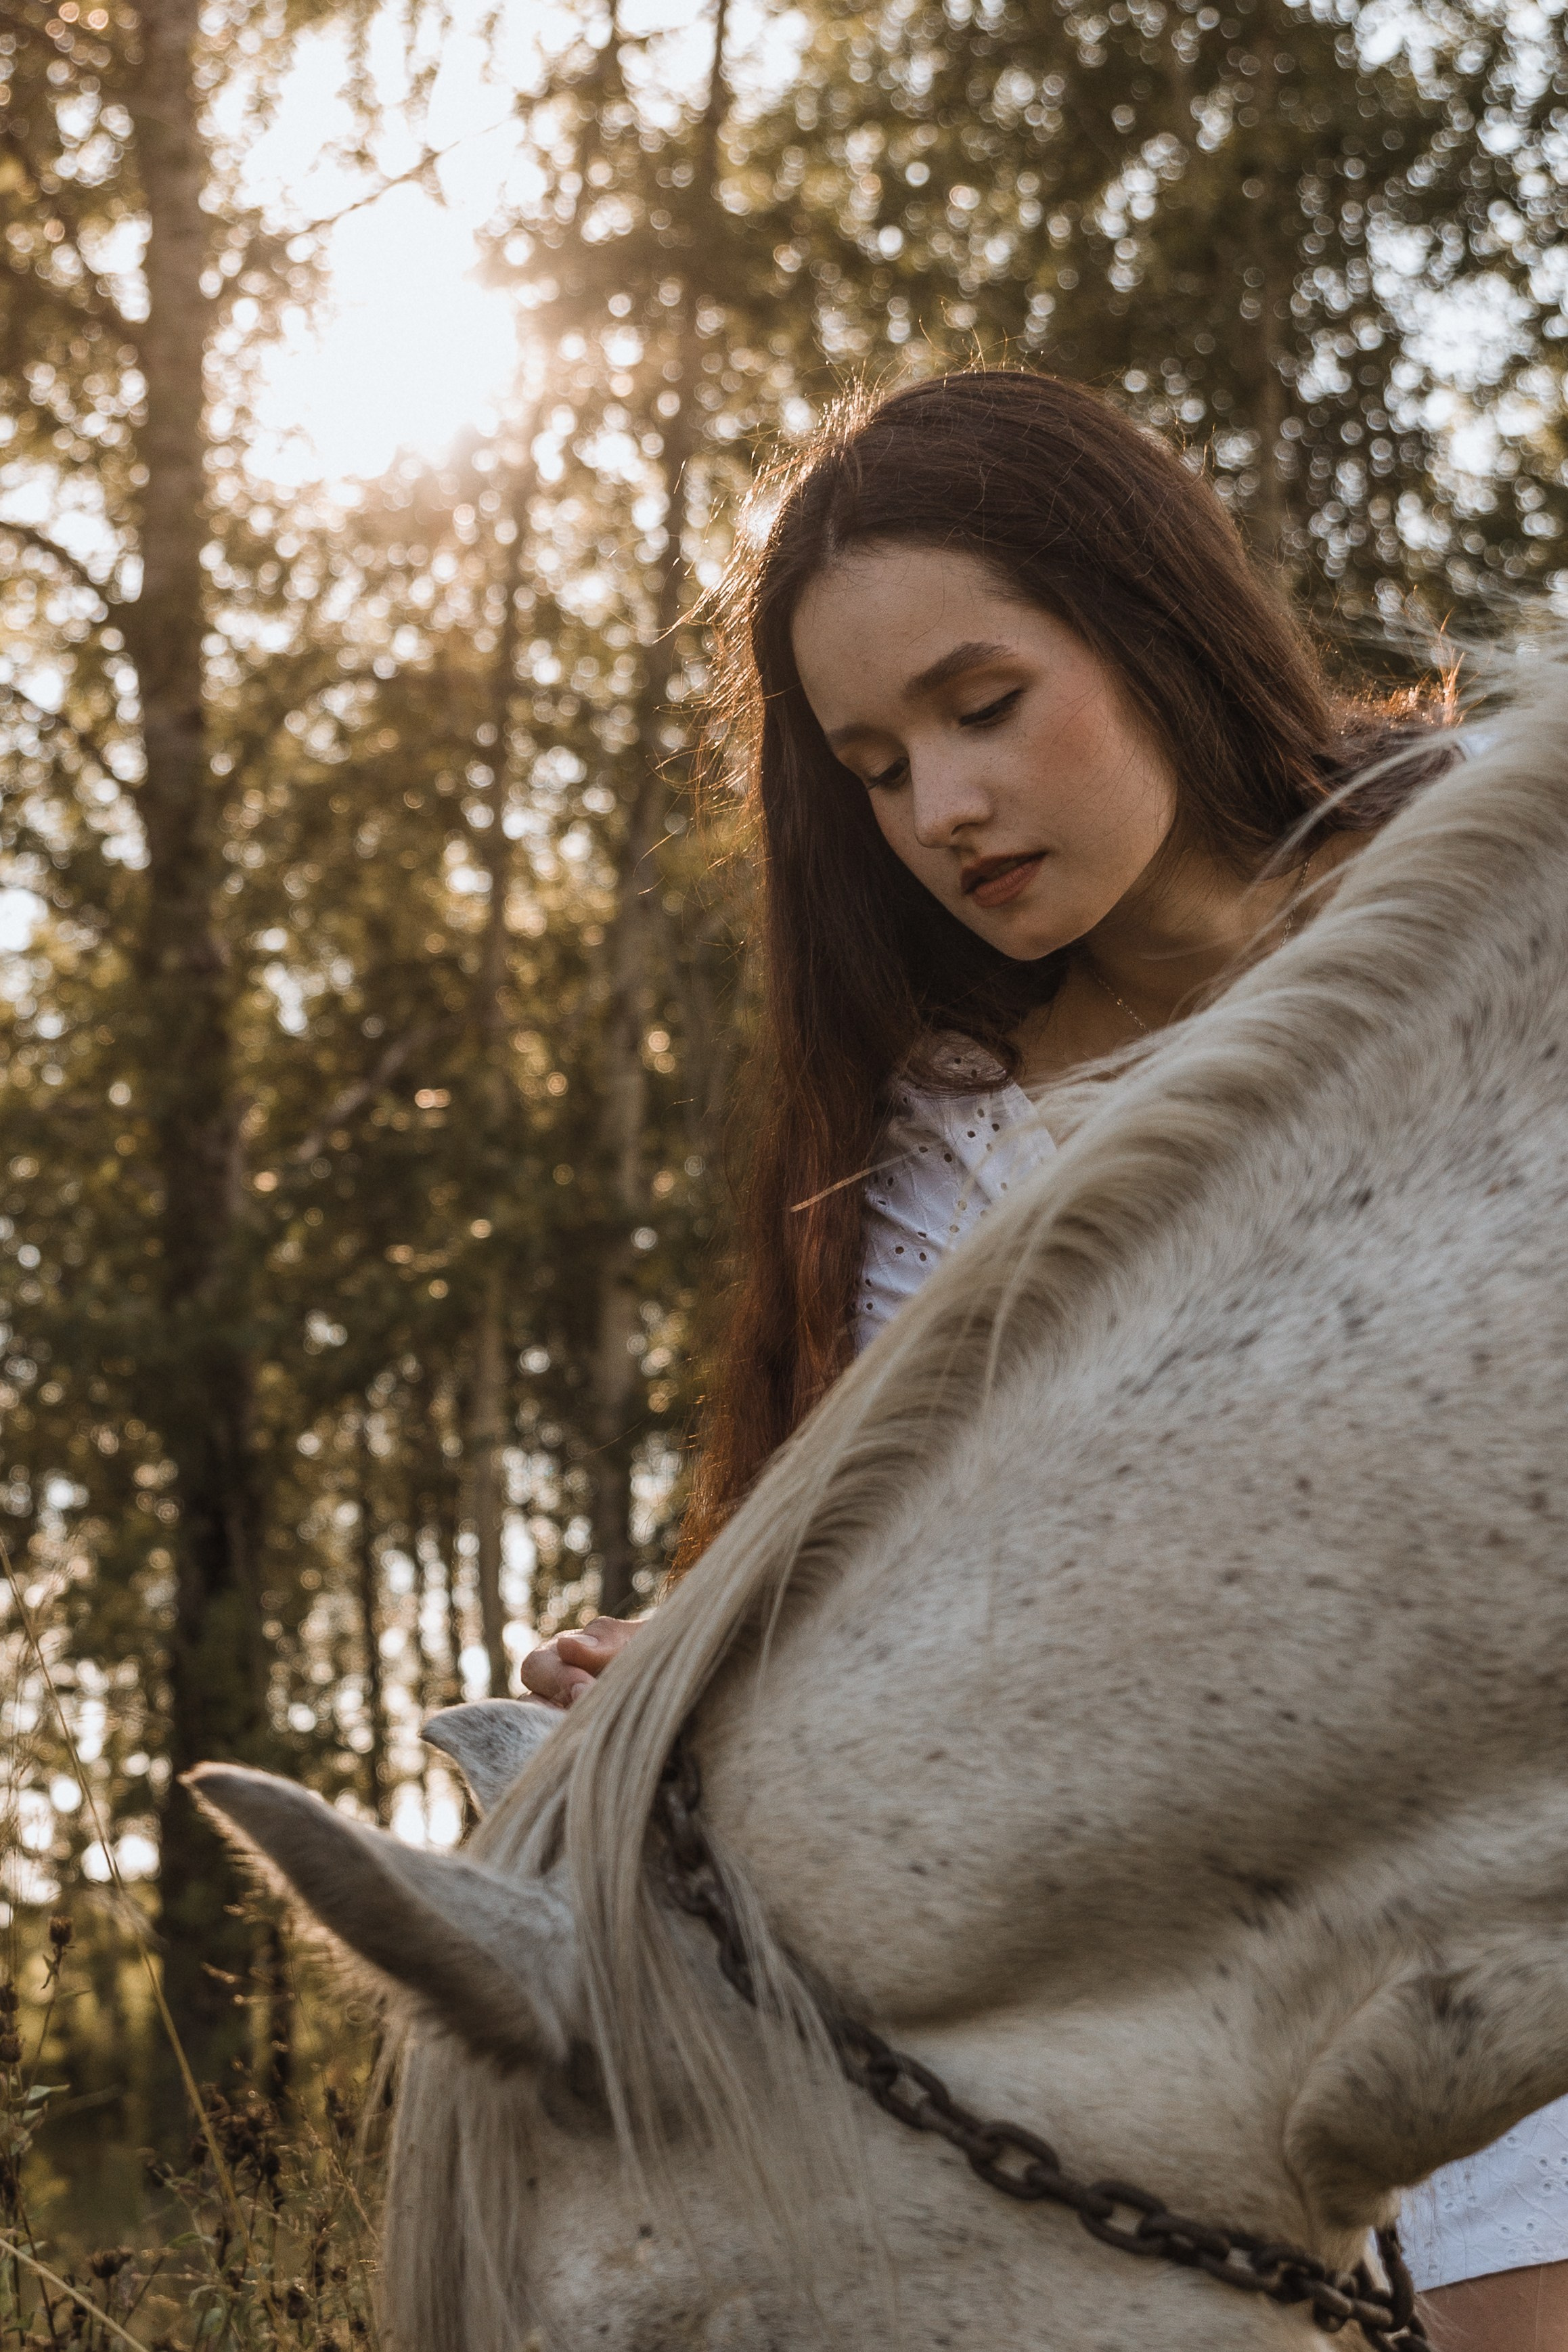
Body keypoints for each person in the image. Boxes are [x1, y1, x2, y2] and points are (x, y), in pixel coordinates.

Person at [519, 368, 1565, 2347]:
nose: (944, 809)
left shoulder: (1512, 897)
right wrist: (695, 1683)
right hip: (1221, 1973)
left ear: (1147, 617)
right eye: (876, 765)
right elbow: (952, 1595)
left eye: (982, 705)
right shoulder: (946, 1150)